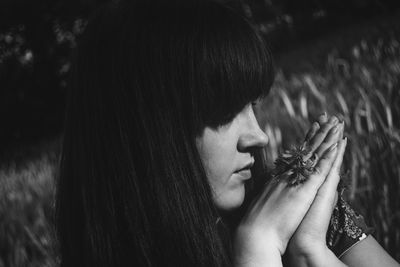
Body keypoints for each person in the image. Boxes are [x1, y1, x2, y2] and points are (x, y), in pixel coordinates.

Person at [55, 1, 400, 266]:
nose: (259, 136)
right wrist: (258, 251)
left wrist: (313, 249)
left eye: (252, 105)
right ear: (141, 136)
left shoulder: (301, 212)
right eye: (222, 113)